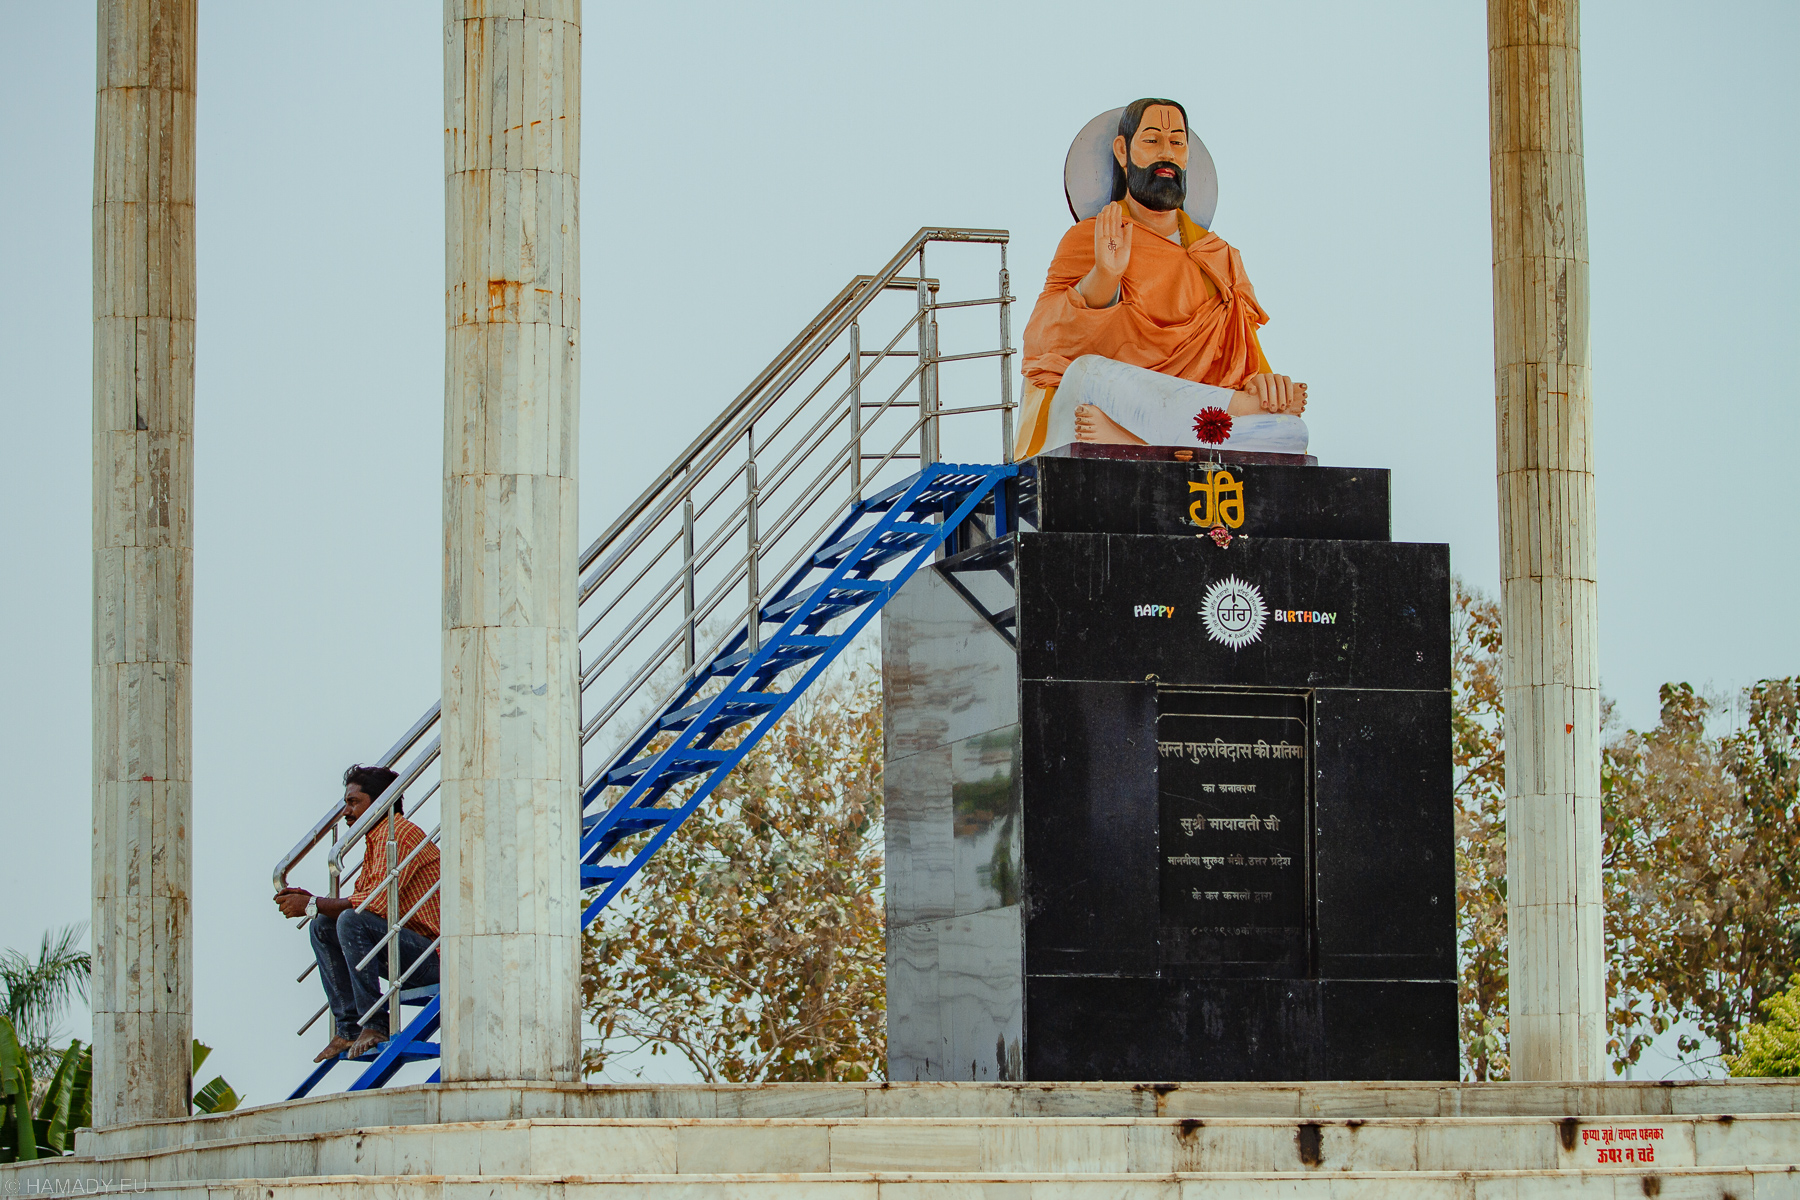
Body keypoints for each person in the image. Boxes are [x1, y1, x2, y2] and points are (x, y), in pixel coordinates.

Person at [1017, 98, 1310, 458]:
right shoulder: (1089, 239)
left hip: (1192, 414)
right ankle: (1193, 429)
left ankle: (1145, 443)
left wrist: (1264, 386)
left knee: (1292, 431)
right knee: (1089, 374)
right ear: (1123, 151)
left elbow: (1244, 362)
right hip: (1107, 402)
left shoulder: (1217, 260)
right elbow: (1041, 344)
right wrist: (1104, 277)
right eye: (1152, 140)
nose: (1167, 154)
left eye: (1177, 143)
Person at [275, 764, 441, 1062]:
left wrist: (312, 903)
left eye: (353, 802)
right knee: (323, 926)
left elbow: (370, 904)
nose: (346, 812)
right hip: (403, 950)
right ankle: (349, 1026)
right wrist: (317, 908)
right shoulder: (375, 840)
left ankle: (375, 1024)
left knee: (349, 919)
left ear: (379, 802)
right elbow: (363, 903)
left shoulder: (399, 834)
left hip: (435, 957)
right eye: (346, 803)